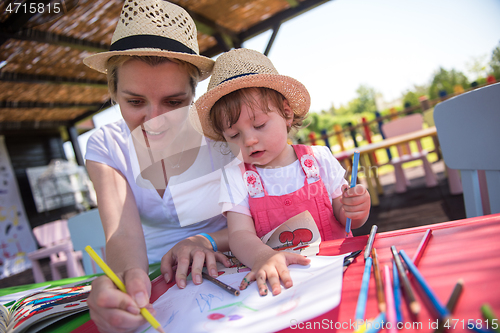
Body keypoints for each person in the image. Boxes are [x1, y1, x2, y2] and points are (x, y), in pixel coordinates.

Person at [82, 1, 236, 332]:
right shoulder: (107, 146)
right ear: (113, 92)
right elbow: (121, 233)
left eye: (174, 102)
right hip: (152, 281)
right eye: (135, 102)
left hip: (229, 267)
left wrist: (205, 240)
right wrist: (130, 280)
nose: (154, 121)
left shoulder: (223, 135)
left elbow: (261, 214)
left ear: (194, 94)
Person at [194, 48, 371, 297]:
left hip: (341, 269)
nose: (249, 140)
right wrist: (263, 257)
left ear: (287, 114)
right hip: (283, 284)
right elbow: (239, 234)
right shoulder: (235, 177)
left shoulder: (319, 159)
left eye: (259, 125)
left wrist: (356, 208)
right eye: (234, 135)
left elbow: (345, 216)